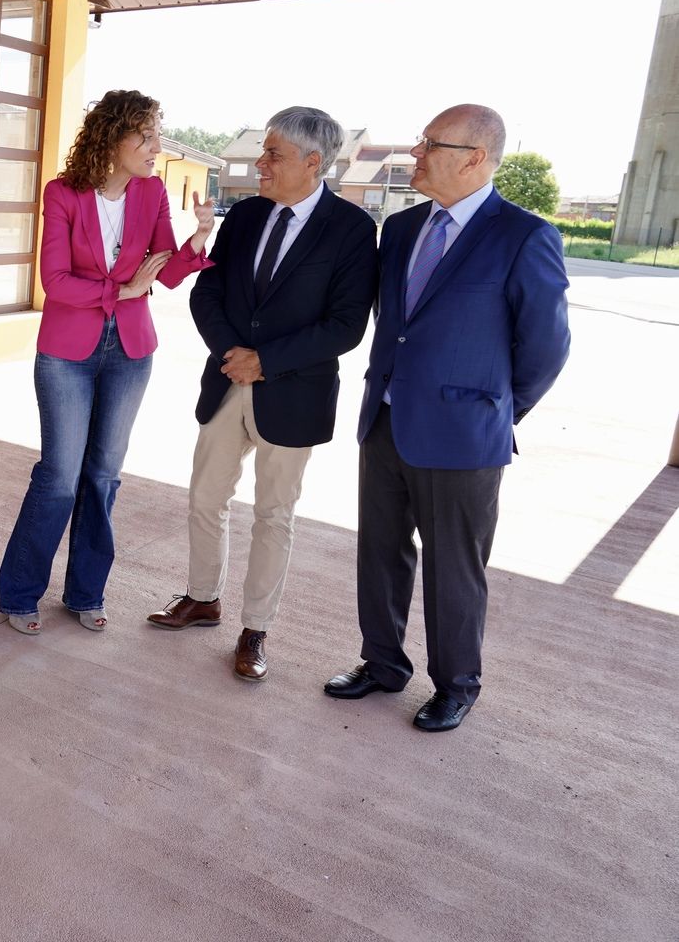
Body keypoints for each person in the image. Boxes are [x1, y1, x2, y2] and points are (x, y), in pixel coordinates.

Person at [324, 104, 570, 732]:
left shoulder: (523, 235)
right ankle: (381, 664)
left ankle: (457, 683)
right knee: (380, 552)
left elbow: (545, 345)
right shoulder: (401, 229)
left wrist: (496, 407)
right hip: (385, 419)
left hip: (465, 434)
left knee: (453, 565)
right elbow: (395, 326)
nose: (416, 153)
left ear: (474, 157)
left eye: (430, 143)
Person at [148, 106, 377, 682]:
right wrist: (234, 354)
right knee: (205, 497)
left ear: (313, 162)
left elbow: (346, 325)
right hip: (227, 380)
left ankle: (255, 629)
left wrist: (266, 361)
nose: (260, 163)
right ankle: (203, 598)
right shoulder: (246, 214)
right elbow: (209, 293)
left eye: (273, 153)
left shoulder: (351, 229)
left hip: (294, 393)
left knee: (274, 515)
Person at [0, 90, 214, 635]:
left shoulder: (151, 192)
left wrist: (199, 239)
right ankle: (21, 592)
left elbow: (162, 270)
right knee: (60, 478)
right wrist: (123, 290)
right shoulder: (64, 194)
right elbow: (56, 283)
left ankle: (85, 592)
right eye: (145, 135)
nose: (155, 146)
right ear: (112, 137)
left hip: (130, 352)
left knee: (102, 477)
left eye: (157, 135)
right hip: (68, 353)